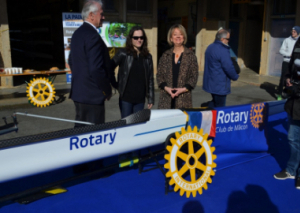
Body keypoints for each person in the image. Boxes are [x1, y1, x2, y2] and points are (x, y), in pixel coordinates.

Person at [69, 0, 112, 127]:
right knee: (93, 136)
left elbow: (71, 60)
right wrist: (106, 90)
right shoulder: (93, 36)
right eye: (101, 14)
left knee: (81, 133)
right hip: (92, 95)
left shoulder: (77, 33)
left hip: (79, 93)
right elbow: (95, 69)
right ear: (92, 15)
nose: (103, 17)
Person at [274, 36, 300, 189]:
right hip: (295, 104)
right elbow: (290, 66)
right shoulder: (298, 43)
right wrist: (288, 79)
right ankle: (291, 170)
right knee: (292, 138)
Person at [111, 26, 154, 118]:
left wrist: (150, 98)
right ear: (131, 39)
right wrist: (115, 84)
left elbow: (150, 78)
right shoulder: (123, 53)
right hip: (126, 99)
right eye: (136, 38)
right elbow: (109, 67)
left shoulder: (148, 57)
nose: (139, 40)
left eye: (141, 38)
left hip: (140, 99)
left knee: (138, 126)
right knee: (126, 125)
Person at [156, 24, 198, 109]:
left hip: (183, 99)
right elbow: (159, 75)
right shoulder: (165, 55)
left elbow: (194, 76)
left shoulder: (190, 55)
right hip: (166, 99)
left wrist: (182, 89)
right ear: (171, 38)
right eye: (175, 34)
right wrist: (167, 88)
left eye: (180, 34)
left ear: (184, 37)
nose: (178, 36)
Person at [202, 29, 239, 108]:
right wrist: (235, 76)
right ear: (222, 39)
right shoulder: (223, 50)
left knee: (215, 102)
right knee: (220, 108)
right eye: (228, 39)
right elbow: (228, 67)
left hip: (211, 83)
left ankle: (207, 107)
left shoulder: (210, 47)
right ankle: (207, 109)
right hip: (219, 85)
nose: (228, 41)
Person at [277, 26, 300, 101]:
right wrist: (289, 54)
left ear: (298, 33)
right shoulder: (287, 40)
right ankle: (279, 94)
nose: (293, 33)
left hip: (295, 64)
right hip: (287, 62)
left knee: (293, 80)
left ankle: (289, 93)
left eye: (294, 32)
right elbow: (281, 51)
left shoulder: (299, 41)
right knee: (284, 78)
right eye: (292, 31)